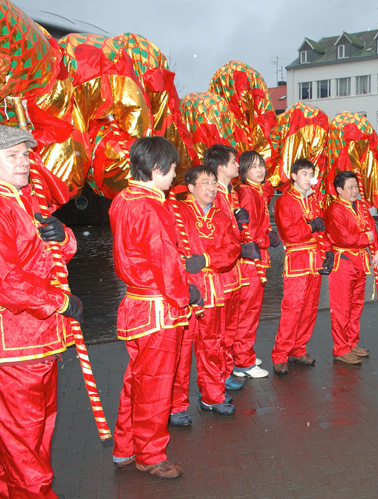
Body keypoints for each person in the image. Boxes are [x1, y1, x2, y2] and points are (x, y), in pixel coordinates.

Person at [110, 136, 202, 479]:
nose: (176, 174)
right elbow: (164, 259)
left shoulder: (122, 199)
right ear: (157, 168)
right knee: (155, 386)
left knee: (136, 381)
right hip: (157, 308)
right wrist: (186, 294)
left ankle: (125, 448)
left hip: (136, 303)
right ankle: (149, 454)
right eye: (174, 168)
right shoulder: (150, 206)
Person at [0, 125, 82, 498]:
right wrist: (60, 302)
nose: (23, 163)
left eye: (25, 155)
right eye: (12, 156)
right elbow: (8, 280)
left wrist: (62, 234)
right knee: (25, 435)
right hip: (17, 342)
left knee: (40, 427)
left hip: (41, 339)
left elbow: (59, 253)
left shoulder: (26, 200)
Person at [169, 165, 241, 426]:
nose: (211, 188)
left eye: (213, 183)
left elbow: (233, 249)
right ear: (190, 187)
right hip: (185, 293)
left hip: (213, 292)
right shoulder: (176, 212)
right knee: (180, 350)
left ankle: (212, 395)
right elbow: (167, 247)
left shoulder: (222, 217)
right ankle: (175, 405)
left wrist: (207, 258)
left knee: (213, 346)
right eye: (205, 183)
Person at [272, 158, 331, 375]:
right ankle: (280, 354)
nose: (308, 178)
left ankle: (299, 348)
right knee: (292, 308)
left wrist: (328, 252)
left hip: (315, 259)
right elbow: (290, 233)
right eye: (304, 174)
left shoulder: (315, 200)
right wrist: (310, 226)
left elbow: (323, 230)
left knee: (309, 308)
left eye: (310, 174)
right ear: (294, 176)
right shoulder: (284, 201)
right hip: (297, 259)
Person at [324, 171, 378, 365]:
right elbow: (344, 237)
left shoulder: (362, 207)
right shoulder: (334, 209)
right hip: (343, 263)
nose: (354, 190)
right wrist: (365, 238)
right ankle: (341, 348)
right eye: (350, 187)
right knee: (341, 307)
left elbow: (373, 230)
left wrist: (377, 251)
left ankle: (351, 342)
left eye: (356, 186)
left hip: (360, 262)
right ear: (339, 189)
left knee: (356, 306)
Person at [204, 144, 246, 391]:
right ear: (221, 166)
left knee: (229, 327)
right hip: (221, 271)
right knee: (218, 331)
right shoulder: (214, 194)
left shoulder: (230, 193)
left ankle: (225, 370)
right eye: (233, 161)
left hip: (234, 270)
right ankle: (216, 377)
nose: (237, 165)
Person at [233, 151, 277, 379]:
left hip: (255, 256)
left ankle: (241, 354)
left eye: (261, 165)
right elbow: (249, 230)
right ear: (243, 171)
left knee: (246, 311)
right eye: (253, 167)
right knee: (249, 311)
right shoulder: (248, 193)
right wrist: (268, 239)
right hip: (251, 260)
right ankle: (243, 361)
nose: (260, 170)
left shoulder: (254, 190)